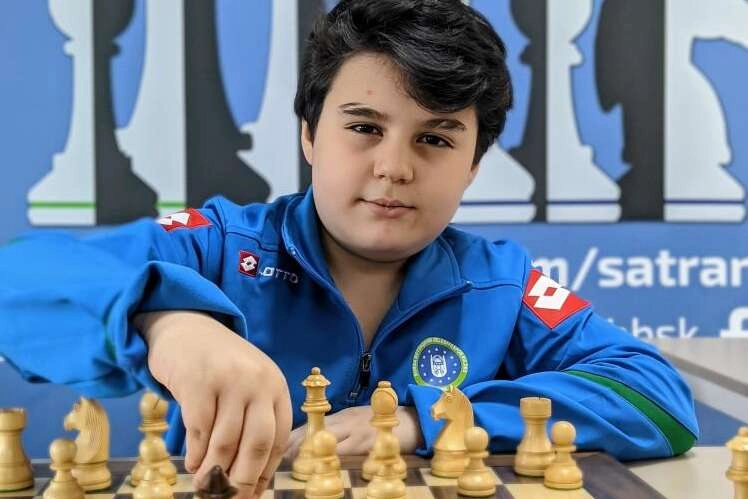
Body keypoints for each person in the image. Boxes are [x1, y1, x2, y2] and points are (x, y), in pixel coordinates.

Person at [0, 1, 697, 498]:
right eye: (364, 128)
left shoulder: (499, 282)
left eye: (435, 138)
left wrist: (426, 420)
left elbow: (659, 400)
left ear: (474, 165)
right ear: (309, 135)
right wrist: (164, 321)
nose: (394, 168)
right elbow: (15, 283)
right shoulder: (219, 247)